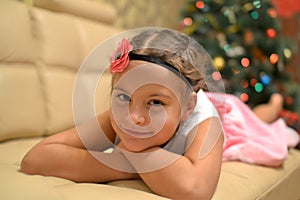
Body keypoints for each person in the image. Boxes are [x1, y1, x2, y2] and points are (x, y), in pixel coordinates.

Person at [20, 28, 299, 200]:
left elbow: (195, 189)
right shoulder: (122, 114)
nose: (134, 117)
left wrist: (131, 155)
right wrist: (131, 159)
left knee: (257, 119)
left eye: (155, 103)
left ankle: (273, 104)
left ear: (187, 107)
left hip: (230, 113)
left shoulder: (206, 122)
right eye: (122, 96)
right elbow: (35, 159)